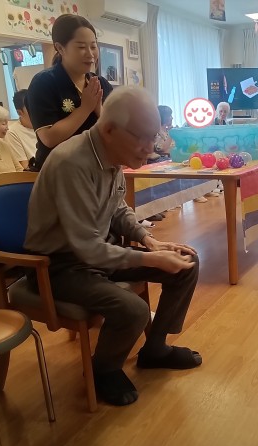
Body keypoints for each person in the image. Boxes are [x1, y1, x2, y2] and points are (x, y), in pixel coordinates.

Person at [24, 86, 202, 406]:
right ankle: (103, 370)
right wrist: (151, 260)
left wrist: (148, 240)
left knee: (186, 263)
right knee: (133, 309)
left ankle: (155, 349)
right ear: (109, 129)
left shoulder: (111, 154)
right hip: (57, 267)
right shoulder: (70, 163)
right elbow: (87, 248)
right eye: (142, 138)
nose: (150, 147)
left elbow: (117, 208)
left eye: (154, 136)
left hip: (94, 255)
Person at [26, 14, 113, 170]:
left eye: (93, 46)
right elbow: (49, 138)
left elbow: (115, 130)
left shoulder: (101, 84)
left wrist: (99, 109)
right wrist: (85, 108)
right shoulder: (44, 82)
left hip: (97, 168)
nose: (90, 54)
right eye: (81, 47)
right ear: (60, 48)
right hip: (59, 171)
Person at [5, 89, 37, 169]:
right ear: (19, 112)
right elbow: (24, 167)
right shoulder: (12, 132)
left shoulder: (47, 126)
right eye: (32, 108)